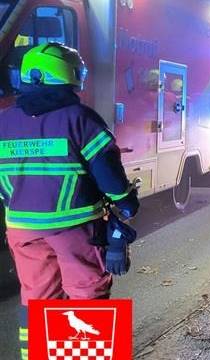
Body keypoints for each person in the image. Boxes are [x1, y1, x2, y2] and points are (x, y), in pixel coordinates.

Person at [0, 43, 139, 360]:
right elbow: (109, 176)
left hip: (21, 230)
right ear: (69, 74)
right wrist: (127, 204)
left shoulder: (4, 122)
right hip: (74, 228)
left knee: (37, 297)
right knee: (85, 293)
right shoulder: (80, 118)